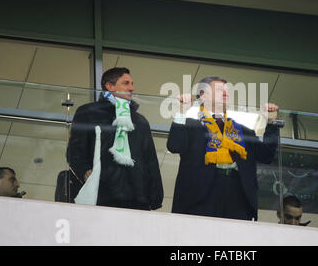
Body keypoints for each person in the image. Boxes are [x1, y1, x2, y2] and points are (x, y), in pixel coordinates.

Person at [167, 76, 279, 220]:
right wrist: (181, 112)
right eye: (220, 89)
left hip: (237, 196)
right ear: (203, 96)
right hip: (200, 197)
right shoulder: (191, 125)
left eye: (227, 90)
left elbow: (266, 156)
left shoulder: (243, 131)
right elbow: (174, 145)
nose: (226, 92)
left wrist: (271, 123)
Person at [66, 67, 163, 210]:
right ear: (109, 86)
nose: (131, 88)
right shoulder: (88, 112)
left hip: (137, 199)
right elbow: (75, 151)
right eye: (126, 83)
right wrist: (86, 173)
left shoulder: (140, 121)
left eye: (132, 83)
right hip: (101, 196)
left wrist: (155, 197)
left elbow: (150, 161)